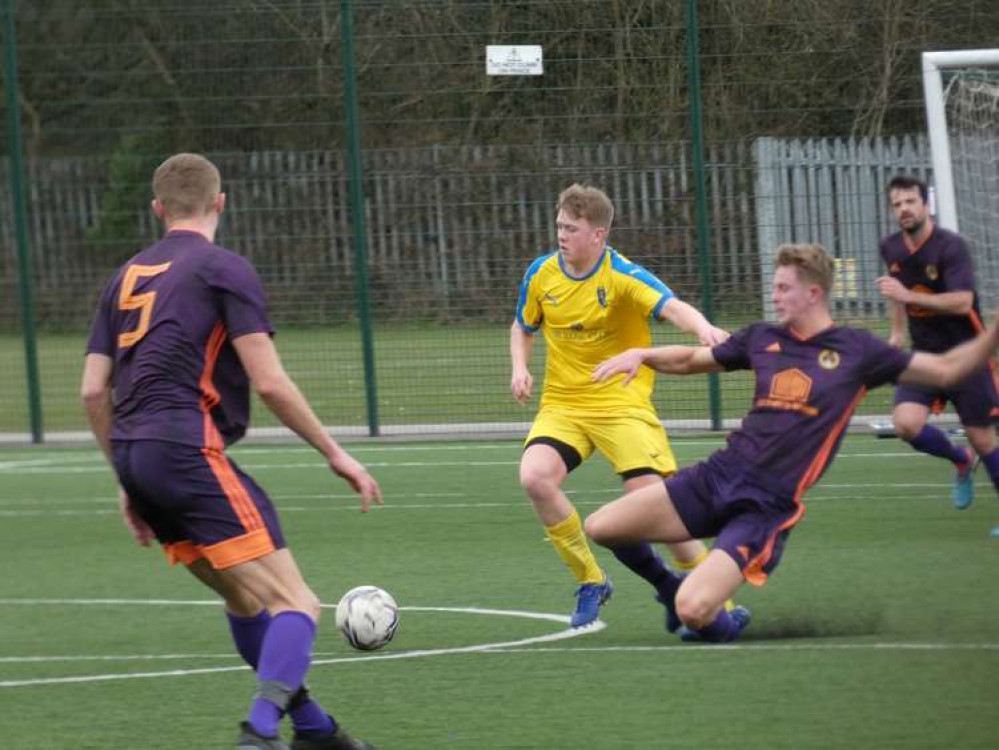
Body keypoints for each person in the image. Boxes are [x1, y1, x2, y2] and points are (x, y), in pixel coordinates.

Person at [81, 153, 382, 750]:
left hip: (138, 456)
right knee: (296, 602)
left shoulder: (124, 276)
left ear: (157, 210)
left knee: (247, 600)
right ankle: (260, 732)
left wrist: (125, 479)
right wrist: (334, 453)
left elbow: (93, 390)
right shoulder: (224, 268)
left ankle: (316, 731)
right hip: (186, 448)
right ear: (221, 202)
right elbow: (269, 382)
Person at [584, 243, 999, 643]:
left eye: (784, 288)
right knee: (602, 527)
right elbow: (693, 360)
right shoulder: (762, 337)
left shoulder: (857, 351)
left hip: (765, 505)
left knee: (697, 609)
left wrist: (993, 332)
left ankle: (721, 624)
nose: (775, 295)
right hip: (717, 476)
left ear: (813, 292)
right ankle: (668, 589)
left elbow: (946, 369)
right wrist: (642, 354)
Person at [510, 183, 733, 629]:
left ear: (598, 234)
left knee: (660, 509)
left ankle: (718, 605)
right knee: (535, 477)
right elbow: (522, 325)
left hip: (621, 404)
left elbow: (671, 307)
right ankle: (592, 579)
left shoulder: (623, 276)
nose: (561, 235)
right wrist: (520, 367)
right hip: (564, 405)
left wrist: (703, 328)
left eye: (571, 228)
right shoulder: (541, 274)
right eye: (558, 225)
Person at [876, 175, 999, 535]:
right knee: (906, 425)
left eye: (910, 202)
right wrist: (897, 334)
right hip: (924, 356)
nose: (904, 209)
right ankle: (960, 460)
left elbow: (962, 302)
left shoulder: (951, 246)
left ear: (925, 205)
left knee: (983, 438)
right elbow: (896, 292)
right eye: (897, 204)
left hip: (967, 355)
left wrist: (910, 297)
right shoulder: (891, 247)